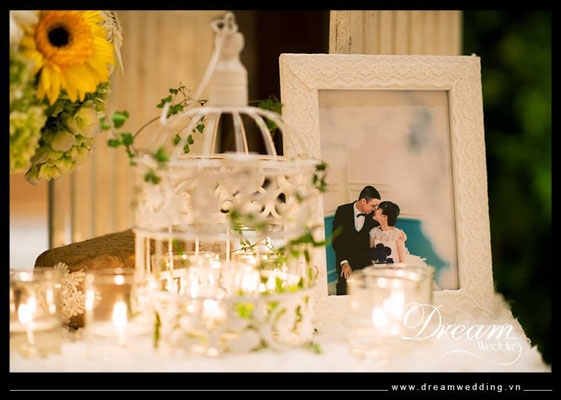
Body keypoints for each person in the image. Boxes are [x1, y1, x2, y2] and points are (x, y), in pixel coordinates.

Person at [331, 186, 381, 295]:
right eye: (373, 205)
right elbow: (337, 239)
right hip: (346, 261)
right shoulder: (342, 211)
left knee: (366, 295)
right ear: (363, 201)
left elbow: (383, 231)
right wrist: (344, 262)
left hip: (365, 263)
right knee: (343, 292)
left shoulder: (374, 216)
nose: (375, 208)